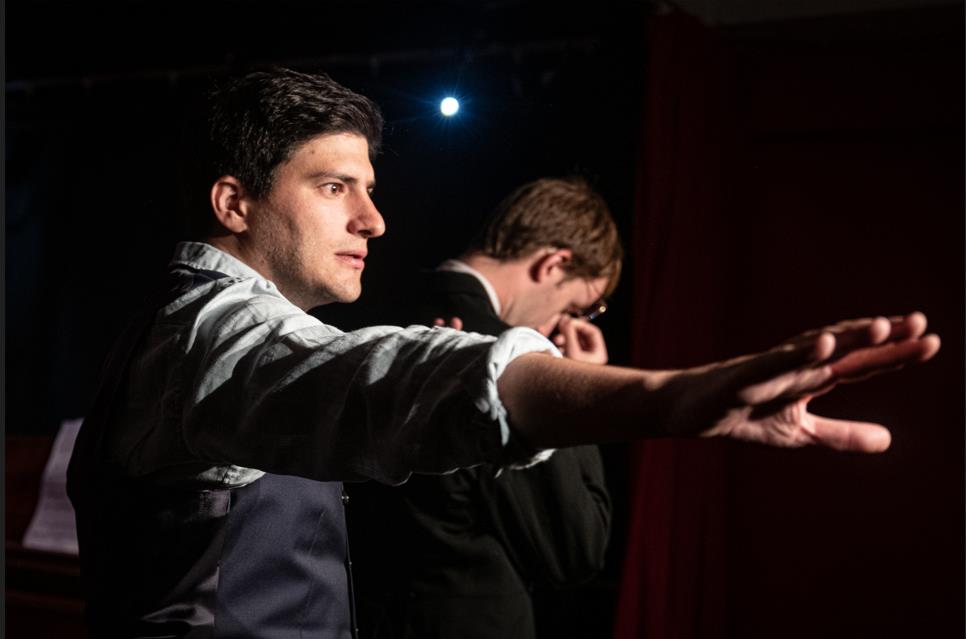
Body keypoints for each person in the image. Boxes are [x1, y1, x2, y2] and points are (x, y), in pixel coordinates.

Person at [66, 67, 940, 639]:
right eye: (335, 187)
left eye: (370, 189)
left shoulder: (193, 321)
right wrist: (665, 396)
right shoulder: (209, 332)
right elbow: (389, 378)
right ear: (234, 203)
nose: (374, 220)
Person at [347, 177, 621, 639]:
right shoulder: (503, 355)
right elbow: (577, 549)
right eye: (575, 309)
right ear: (554, 264)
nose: (560, 328)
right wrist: (573, 384)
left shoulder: (369, 297)